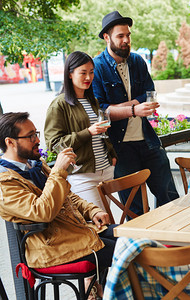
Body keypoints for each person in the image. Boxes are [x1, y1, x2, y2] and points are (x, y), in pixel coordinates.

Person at [0, 112, 117, 299]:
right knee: (130, 251)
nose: (37, 140)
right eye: (30, 136)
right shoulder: (5, 182)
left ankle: (101, 293)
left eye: (36, 133)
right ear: (10, 142)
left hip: (75, 235)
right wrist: (59, 171)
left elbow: (68, 197)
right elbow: (41, 212)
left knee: (131, 235)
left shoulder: (35, 165)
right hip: (52, 249)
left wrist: (92, 210)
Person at [92, 11, 179, 213]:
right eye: (120, 36)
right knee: (134, 207)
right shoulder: (97, 67)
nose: (126, 40)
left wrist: (127, 107)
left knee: (170, 197)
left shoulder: (138, 62)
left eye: (128, 35)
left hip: (147, 140)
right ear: (107, 37)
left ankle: (173, 241)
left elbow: (149, 93)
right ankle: (143, 244)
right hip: (120, 147)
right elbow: (101, 110)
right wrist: (133, 109)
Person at [44, 51, 117, 211]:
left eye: (91, 72)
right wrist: (88, 132)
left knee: (105, 220)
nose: (88, 77)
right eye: (83, 73)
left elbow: (103, 134)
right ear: (70, 74)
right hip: (81, 175)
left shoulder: (93, 101)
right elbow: (54, 144)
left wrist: (112, 155)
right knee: (98, 224)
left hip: (105, 170)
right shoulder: (59, 104)